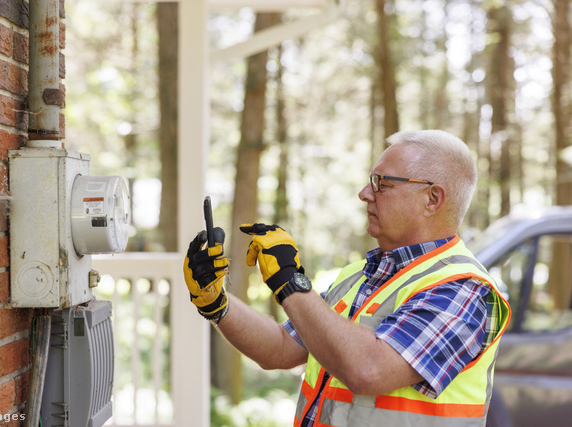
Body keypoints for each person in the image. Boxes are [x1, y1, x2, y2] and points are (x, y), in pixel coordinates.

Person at [183, 129, 511, 427]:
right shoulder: (358, 275)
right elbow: (281, 349)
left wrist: (289, 281)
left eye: (382, 183)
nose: (364, 193)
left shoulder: (462, 290)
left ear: (432, 199)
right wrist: (216, 303)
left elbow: (369, 369)